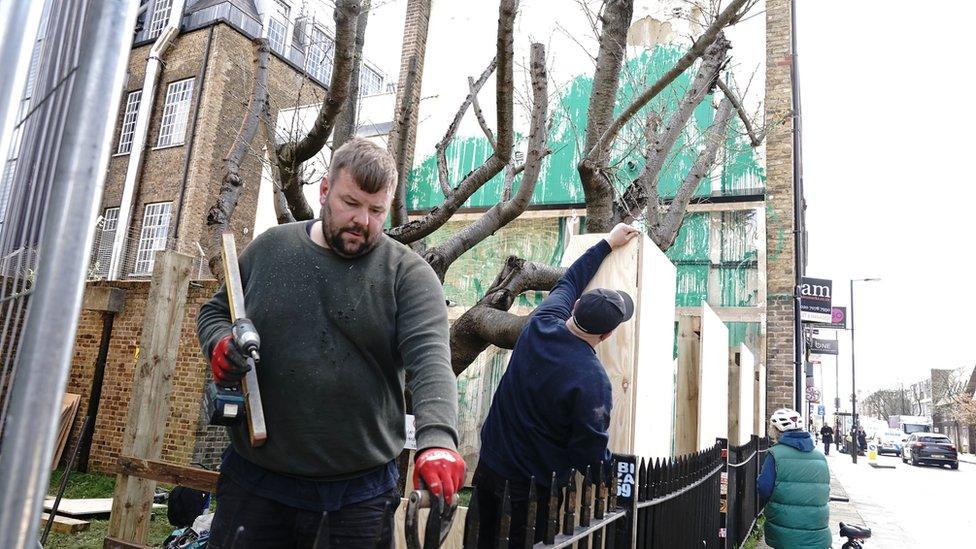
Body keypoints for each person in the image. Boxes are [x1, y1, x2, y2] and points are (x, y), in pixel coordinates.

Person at [197, 138, 465, 548]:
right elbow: (216, 312)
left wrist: (438, 441)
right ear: (324, 192)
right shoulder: (271, 249)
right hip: (255, 483)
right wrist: (220, 344)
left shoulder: (407, 275)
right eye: (351, 203)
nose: (362, 220)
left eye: (376, 210)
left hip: (357, 497)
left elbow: (430, 361)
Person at [473, 223, 640, 548]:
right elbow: (588, 455)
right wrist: (613, 473)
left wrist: (608, 242)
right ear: (606, 335)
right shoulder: (593, 383)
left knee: (478, 540)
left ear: (575, 307)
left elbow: (571, 279)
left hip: (490, 466)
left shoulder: (541, 321)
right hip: (532, 491)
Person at [758, 408, 830, 549]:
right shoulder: (821, 457)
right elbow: (825, 491)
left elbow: (764, 487)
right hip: (817, 528)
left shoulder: (775, 454)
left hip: (785, 527)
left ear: (776, 430)